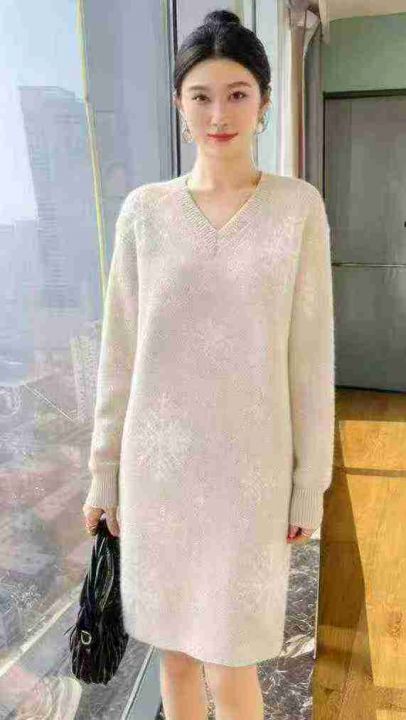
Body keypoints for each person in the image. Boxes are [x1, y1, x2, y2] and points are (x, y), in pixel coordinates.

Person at [83, 9, 335, 720]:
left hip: (251, 472)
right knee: (176, 657)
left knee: (232, 661)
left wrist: (308, 484)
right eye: (201, 95)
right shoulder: (144, 213)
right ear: (178, 103)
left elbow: (311, 357)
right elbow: (119, 354)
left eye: (236, 94)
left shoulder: (296, 209)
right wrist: (104, 474)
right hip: (158, 473)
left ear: (262, 101)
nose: (218, 114)